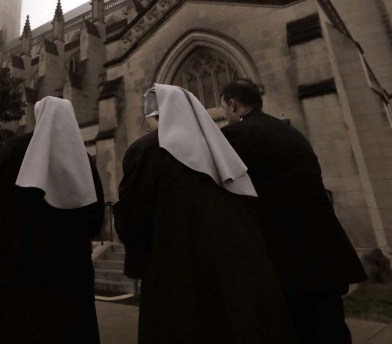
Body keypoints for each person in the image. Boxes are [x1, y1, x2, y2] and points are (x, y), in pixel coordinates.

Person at [114, 84, 297, 344]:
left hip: (175, 270)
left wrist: (141, 258)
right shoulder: (217, 146)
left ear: (153, 117)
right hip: (235, 267)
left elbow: (133, 214)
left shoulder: (145, 149)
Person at [220, 79, 367, 344]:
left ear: (233, 105)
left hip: (286, 256)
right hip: (324, 250)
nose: (226, 117)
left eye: (225, 111)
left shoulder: (238, 135)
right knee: (330, 328)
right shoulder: (291, 133)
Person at [0, 96, 105, 344]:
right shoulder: (83, 161)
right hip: (68, 275)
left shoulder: (13, 149)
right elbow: (95, 219)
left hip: (14, 267)